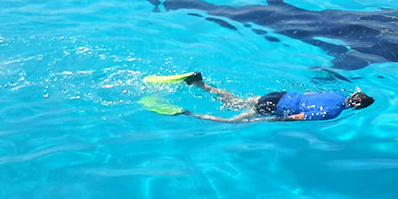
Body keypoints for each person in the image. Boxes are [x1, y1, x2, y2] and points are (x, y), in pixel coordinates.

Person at [140, 72, 374, 122]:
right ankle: (185, 112)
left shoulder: (335, 94)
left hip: (278, 94)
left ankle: (203, 85)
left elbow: (309, 95)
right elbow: (299, 116)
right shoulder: (335, 112)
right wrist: (270, 121)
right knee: (232, 122)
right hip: (275, 106)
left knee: (237, 101)